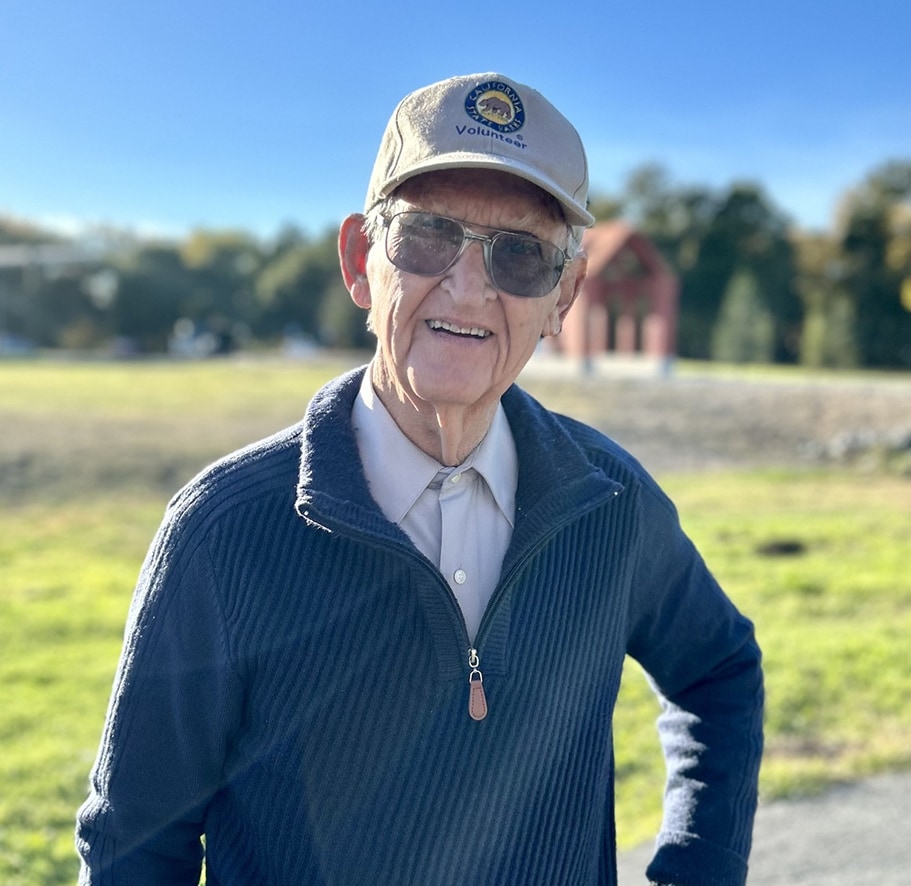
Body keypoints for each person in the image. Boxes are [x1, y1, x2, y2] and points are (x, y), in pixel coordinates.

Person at [76, 72, 763, 885]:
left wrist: (698, 867)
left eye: (520, 254)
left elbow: (718, 670)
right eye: (428, 235)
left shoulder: (610, 502)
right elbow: (133, 850)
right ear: (359, 261)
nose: (468, 289)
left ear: (563, 297)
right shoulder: (222, 532)